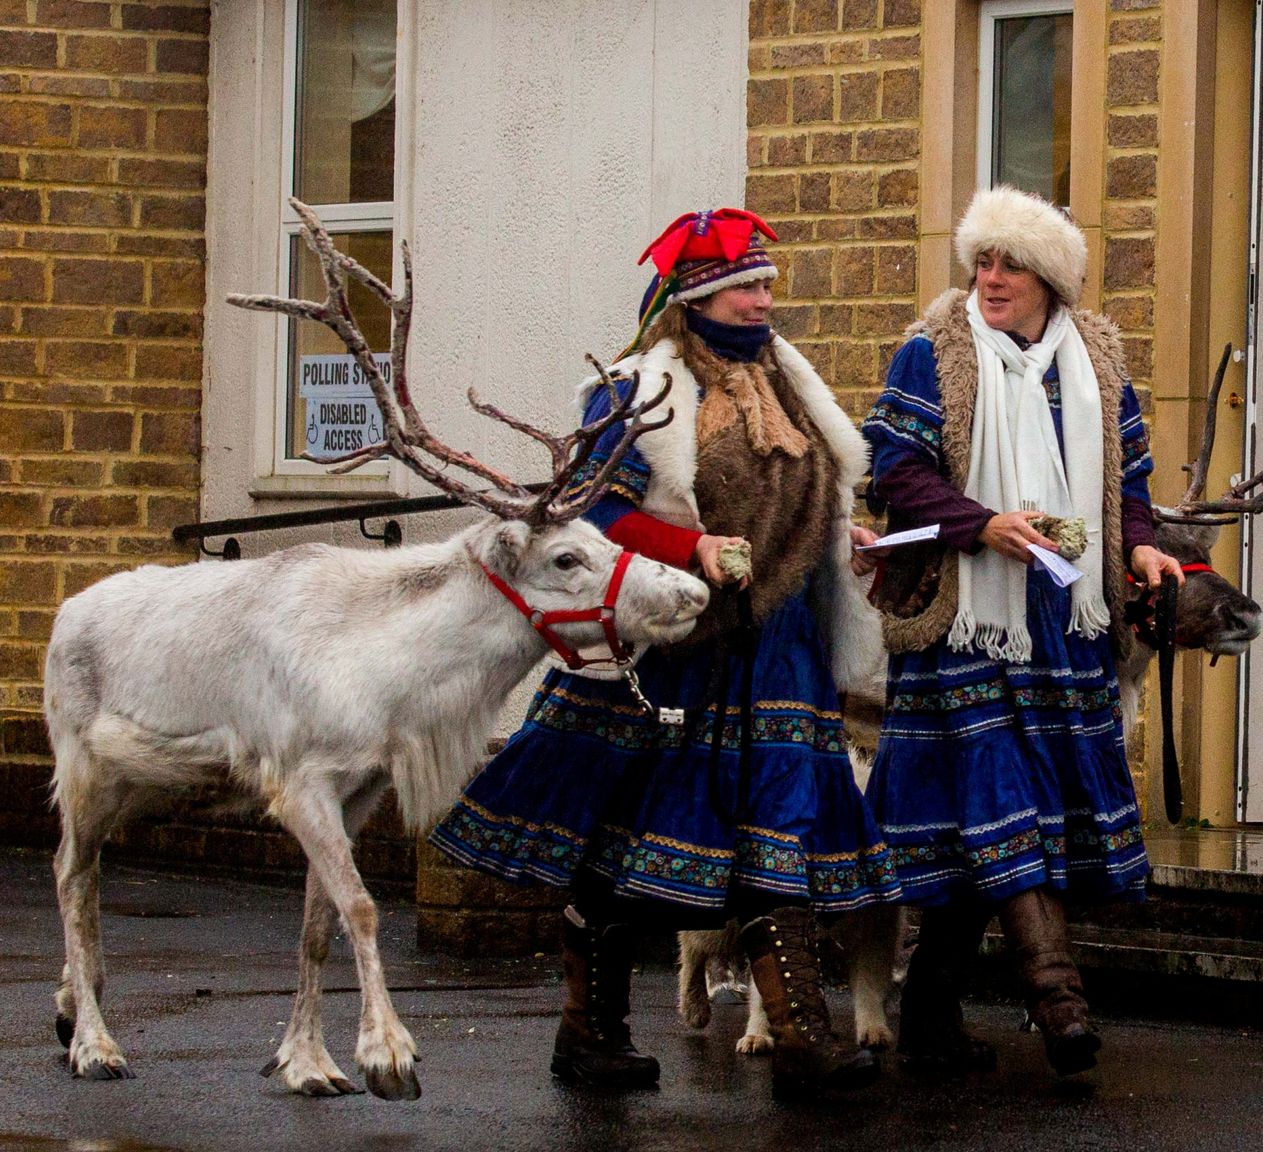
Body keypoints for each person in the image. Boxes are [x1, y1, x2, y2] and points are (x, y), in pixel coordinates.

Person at [429, 208, 900, 1098]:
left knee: (783, 825)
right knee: (622, 835)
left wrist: (847, 540)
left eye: (766, 283)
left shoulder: (789, 385)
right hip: (671, 643)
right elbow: (593, 509)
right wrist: (690, 549)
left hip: (779, 650)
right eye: (749, 284)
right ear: (700, 297)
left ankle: (801, 1038)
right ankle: (588, 1031)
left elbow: (813, 495)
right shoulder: (634, 392)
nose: (767, 297)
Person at [860, 186, 1182, 1077]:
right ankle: (1059, 1000)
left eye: (1012, 265)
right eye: (984, 262)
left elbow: (1130, 488)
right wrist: (981, 523)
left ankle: (930, 1014)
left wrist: (1146, 552)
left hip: (1064, 624)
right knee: (1003, 806)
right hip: (969, 622)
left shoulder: (1099, 363)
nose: (992, 278)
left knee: (1003, 823)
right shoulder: (935, 352)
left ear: (1050, 280)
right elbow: (896, 473)